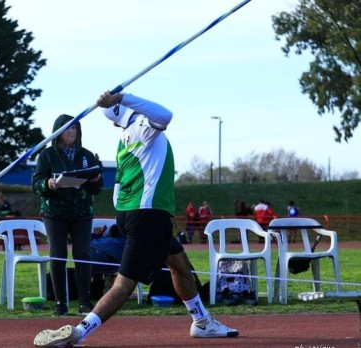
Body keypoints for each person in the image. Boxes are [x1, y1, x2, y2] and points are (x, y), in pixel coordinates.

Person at [33, 92, 238, 347]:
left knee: (180, 265)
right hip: (147, 215)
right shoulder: (142, 128)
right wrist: (125, 97)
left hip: (142, 214)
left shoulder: (123, 141)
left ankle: (202, 321)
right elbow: (166, 115)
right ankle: (79, 332)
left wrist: (137, 215)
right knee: (124, 284)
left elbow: (118, 188)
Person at [32, 113, 103, 317]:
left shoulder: (87, 156)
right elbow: (36, 185)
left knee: (83, 255)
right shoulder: (47, 155)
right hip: (54, 213)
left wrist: (96, 180)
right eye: (67, 128)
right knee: (58, 256)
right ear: (58, 131)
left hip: (82, 213)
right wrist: (48, 184)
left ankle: (84, 302)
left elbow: (97, 189)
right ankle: (60, 303)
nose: (71, 131)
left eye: (74, 128)